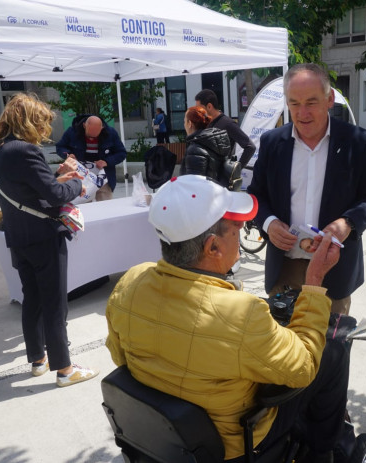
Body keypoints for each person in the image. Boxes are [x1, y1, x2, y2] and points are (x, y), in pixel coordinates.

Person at [105, 175, 348, 463]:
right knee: (333, 350)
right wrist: (314, 279)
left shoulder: (131, 282)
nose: (242, 228)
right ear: (212, 248)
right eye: (235, 227)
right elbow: (303, 367)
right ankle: (323, 453)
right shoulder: (241, 314)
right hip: (232, 444)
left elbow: (121, 359)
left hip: (167, 434)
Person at [246, 63, 366, 315]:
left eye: (311, 102)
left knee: (330, 351)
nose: (302, 113)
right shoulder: (272, 142)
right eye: (294, 103)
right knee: (282, 350)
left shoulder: (357, 141)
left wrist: (347, 224)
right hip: (283, 268)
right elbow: (256, 195)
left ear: (329, 99)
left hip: (334, 270)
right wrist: (268, 223)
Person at [0, 93, 98, 388]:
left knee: (33, 300)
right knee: (54, 304)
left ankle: (38, 360)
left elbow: (30, 189)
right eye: (41, 123)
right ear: (29, 121)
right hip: (42, 236)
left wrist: (57, 177)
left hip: (19, 236)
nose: (44, 131)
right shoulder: (26, 150)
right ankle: (64, 368)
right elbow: (53, 196)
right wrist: (78, 182)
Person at [55, 114, 127, 201]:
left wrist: (106, 161)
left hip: (103, 175)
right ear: (84, 125)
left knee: (106, 205)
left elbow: (121, 153)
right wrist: (68, 154)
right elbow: (60, 147)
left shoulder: (110, 133)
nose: (92, 139)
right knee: (81, 204)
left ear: (102, 128)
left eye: (95, 136)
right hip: (80, 174)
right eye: (89, 136)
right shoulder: (72, 131)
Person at [181, 105, 240, 190]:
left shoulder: (195, 149)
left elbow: (193, 186)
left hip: (203, 199)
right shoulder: (216, 141)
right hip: (217, 194)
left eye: (184, 122)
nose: (184, 125)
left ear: (190, 124)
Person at [195, 89, 256, 168]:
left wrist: (235, 170)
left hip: (221, 177)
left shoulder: (228, 124)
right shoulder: (205, 124)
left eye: (199, 109)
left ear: (209, 106)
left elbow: (250, 147)